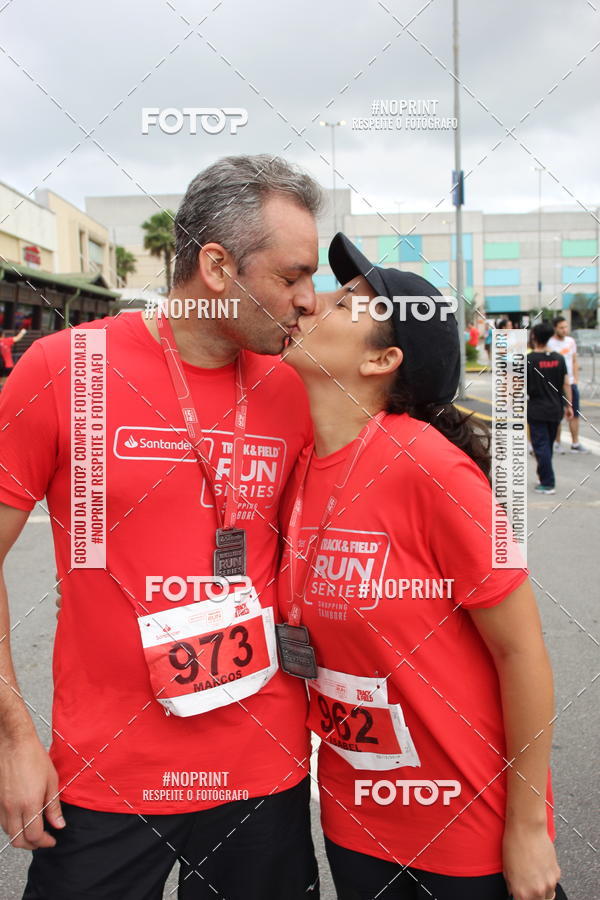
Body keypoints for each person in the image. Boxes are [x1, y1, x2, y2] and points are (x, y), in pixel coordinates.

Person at [0, 155, 322, 900]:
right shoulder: (64, 370)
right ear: (217, 267)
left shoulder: (298, 388)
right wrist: (14, 739)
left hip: (263, 774)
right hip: (108, 778)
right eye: (291, 276)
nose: (309, 300)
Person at [278, 233, 565, 900]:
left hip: (467, 825)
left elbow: (522, 652)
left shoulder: (431, 470)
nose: (314, 301)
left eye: (349, 303)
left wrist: (527, 826)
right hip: (356, 822)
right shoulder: (300, 469)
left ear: (383, 358)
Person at [527, 323, 573, 495]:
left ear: (534, 337)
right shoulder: (559, 358)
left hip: (537, 408)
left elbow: (518, 385)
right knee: (548, 446)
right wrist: (569, 405)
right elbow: (566, 383)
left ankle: (547, 483)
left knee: (541, 446)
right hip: (556, 408)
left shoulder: (529, 359)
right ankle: (543, 476)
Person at [547, 317, 586, 453]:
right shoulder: (550, 343)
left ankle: (575, 443)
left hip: (570, 383)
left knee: (575, 413)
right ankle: (556, 443)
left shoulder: (571, 341)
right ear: (555, 328)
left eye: (566, 327)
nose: (564, 330)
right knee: (557, 414)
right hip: (557, 384)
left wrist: (575, 379)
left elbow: (574, 360)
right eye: (561, 327)